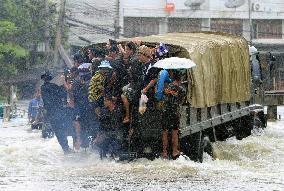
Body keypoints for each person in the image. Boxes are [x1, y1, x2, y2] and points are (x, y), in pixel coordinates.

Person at [40, 71, 72, 154]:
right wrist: (64, 82)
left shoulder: (43, 88)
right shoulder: (54, 86)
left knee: (58, 132)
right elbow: (63, 93)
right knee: (62, 130)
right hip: (60, 112)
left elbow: (47, 103)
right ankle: (67, 148)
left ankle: (65, 148)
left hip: (52, 114)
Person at [157, 70, 185, 159]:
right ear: (181, 78)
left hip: (165, 111)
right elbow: (181, 101)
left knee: (164, 132)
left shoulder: (167, 87)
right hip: (175, 112)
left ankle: (164, 152)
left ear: (172, 77)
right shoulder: (182, 89)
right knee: (174, 133)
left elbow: (160, 96)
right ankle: (174, 151)